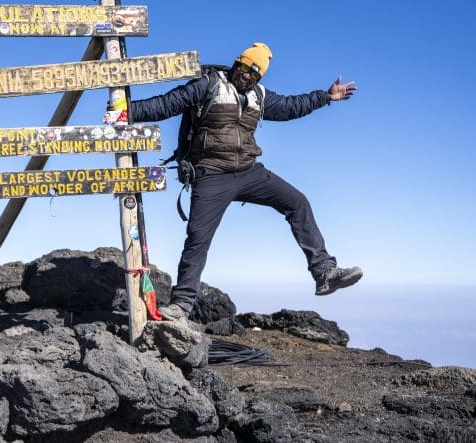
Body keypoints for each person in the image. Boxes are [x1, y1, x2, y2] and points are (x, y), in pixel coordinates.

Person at [130, 42, 362, 321]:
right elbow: (166, 104)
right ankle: (181, 305)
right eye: (244, 68)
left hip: (249, 172)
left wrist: (325, 96)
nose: (247, 76)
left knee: (297, 202)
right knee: (198, 239)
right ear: (236, 63)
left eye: (254, 74)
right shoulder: (208, 85)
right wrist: (127, 110)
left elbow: (290, 106)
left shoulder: (258, 96)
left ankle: (325, 272)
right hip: (211, 173)